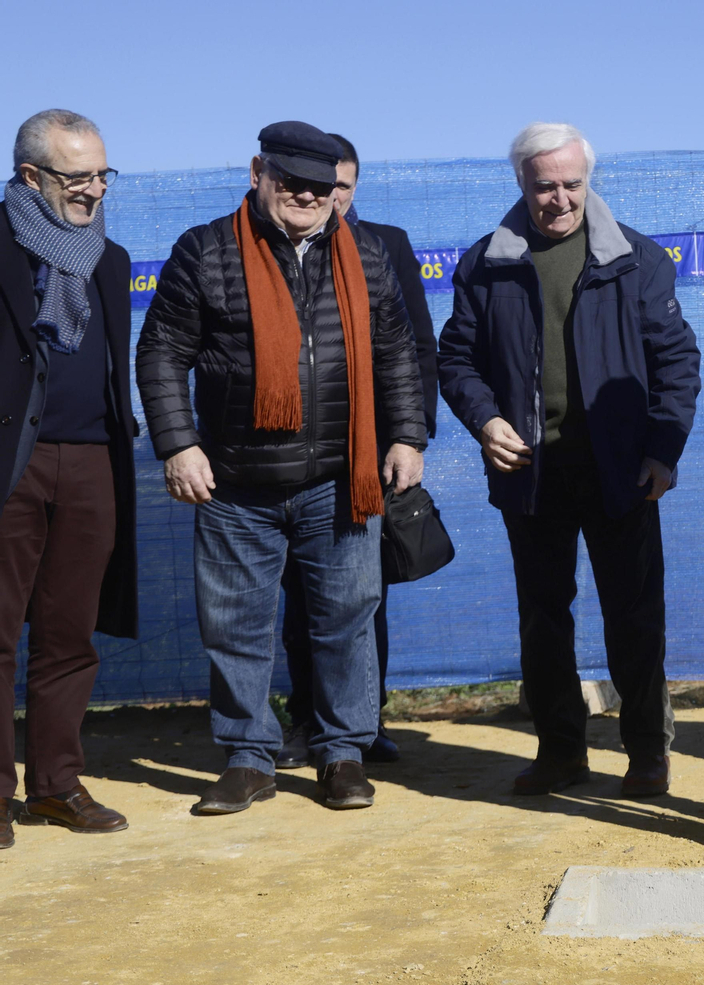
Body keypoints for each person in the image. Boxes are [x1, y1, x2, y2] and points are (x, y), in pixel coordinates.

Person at [136, 122, 428, 814]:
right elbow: (161, 352)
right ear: (257, 173)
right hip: (236, 483)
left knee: (346, 621)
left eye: (319, 186)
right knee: (235, 627)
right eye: (290, 181)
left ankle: (343, 754)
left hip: (340, 479)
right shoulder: (205, 249)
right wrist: (178, 445)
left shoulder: (367, 254)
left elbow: (396, 352)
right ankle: (248, 758)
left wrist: (406, 436)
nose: (305, 196)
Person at [437, 123, 700, 799]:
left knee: (635, 617)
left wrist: (663, 451)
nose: (559, 199)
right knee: (543, 618)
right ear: (521, 183)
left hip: (623, 473)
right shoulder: (484, 264)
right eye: (545, 186)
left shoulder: (638, 259)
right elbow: (456, 360)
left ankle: (647, 752)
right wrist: (485, 420)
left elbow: (676, 361)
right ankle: (560, 752)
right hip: (530, 476)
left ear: (589, 180)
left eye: (572, 184)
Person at [276, 132, 439, 769]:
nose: (332, 197)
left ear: (354, 187)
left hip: (366, 454)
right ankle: (306, 720)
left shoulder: (384, 246)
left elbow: (416, 347)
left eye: (342, 186)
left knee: (364, 597)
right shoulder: (273, 244)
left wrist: (409, 436)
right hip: (291, 454)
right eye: (324, 186)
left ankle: (366, 723)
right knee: (300, 598)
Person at [0, 109, 137, 846]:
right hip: (10, 464)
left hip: (91, 461)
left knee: (69, 634)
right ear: (30, 176)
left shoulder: (109, 259)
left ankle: (55, 785)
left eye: (101, 174)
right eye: (76, 176)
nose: (94, 188)